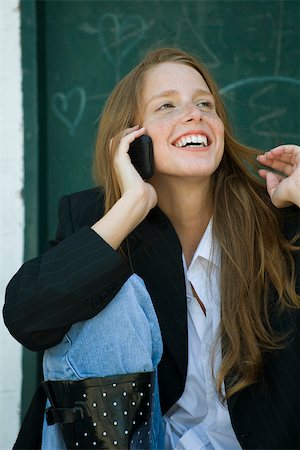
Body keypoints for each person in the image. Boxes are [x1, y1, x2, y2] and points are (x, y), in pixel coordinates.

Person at [3, 47, 300, 450]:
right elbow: (28, 317)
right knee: (108, 294)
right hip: (137, 441)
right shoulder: (98, 217)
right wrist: (130, 206)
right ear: (131, 138)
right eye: (166, 106)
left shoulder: (277, 216)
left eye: (204, 103)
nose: (194, 114)